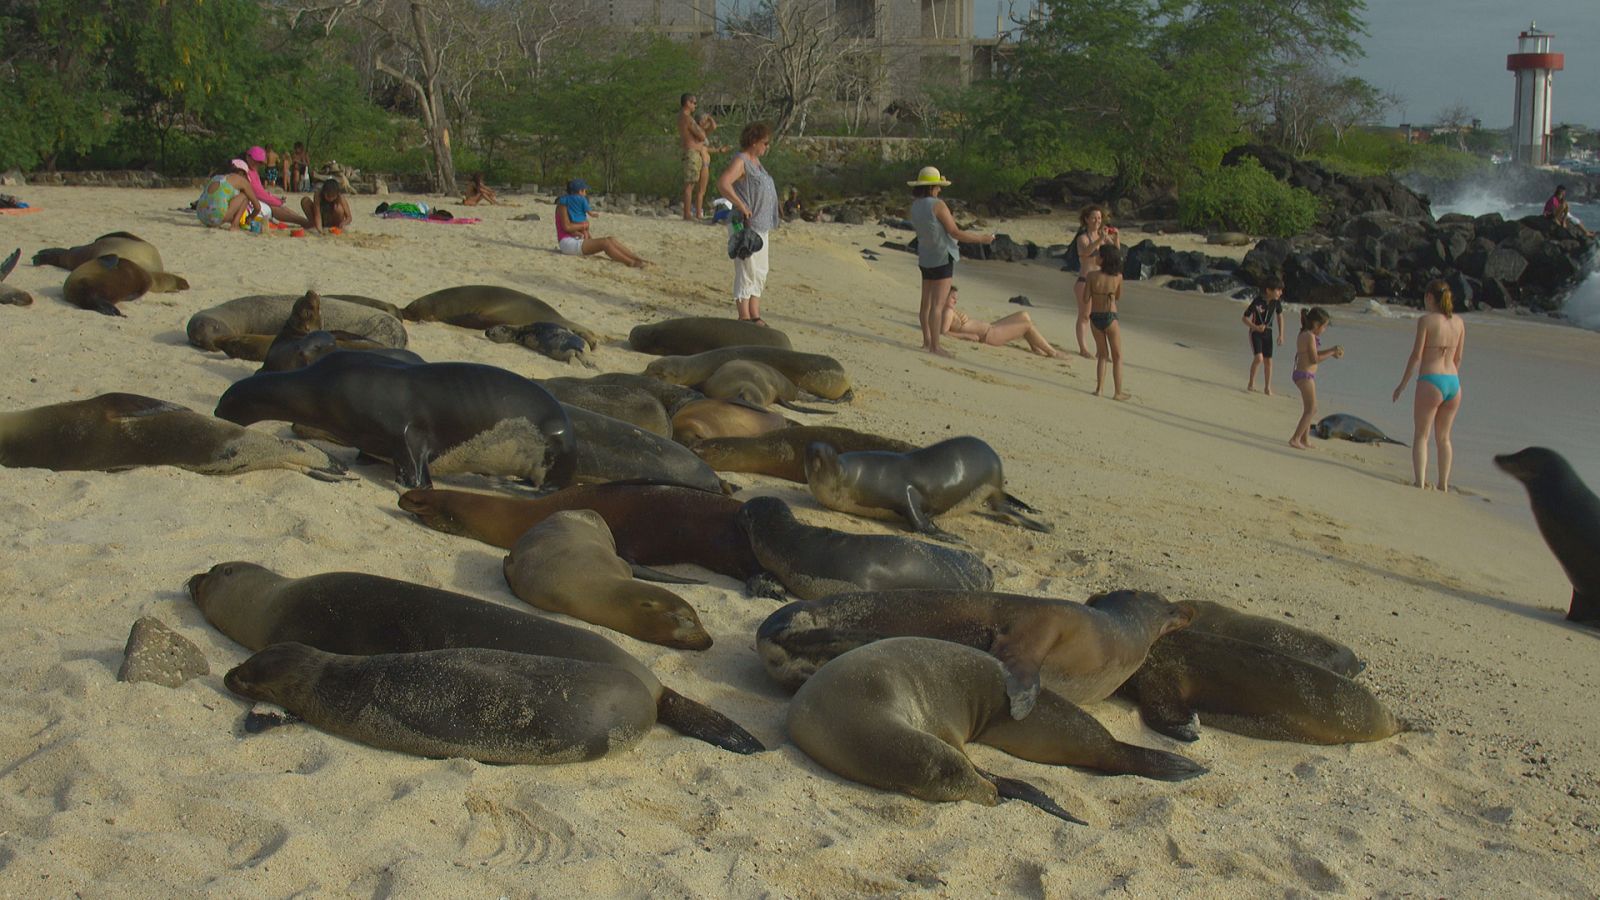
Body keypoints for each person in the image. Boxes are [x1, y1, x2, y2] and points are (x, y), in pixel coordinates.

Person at [908, 165, 995, 356]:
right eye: (938, 186)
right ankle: (935, 346)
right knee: (937, 305)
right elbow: (954, 231)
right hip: (941, 256)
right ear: (932, 187)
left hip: (925, 256)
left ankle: (927, 342)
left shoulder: (915, 205)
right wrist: (982, 239)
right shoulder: (937, 205)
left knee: (926, 304)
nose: (939, 189)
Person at [1391, 279, 1466, 491]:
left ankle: (1421, 482)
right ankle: (1443, 484)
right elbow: (1458, 358)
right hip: (1453, 382)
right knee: (1444, 438)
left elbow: (1416, 356)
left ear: (1430, 297)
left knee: (1421, 435)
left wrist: (1402, 384)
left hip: (1431, 381)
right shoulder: (1459, 322)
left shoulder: (1426, 321)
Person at [718, 123, 781, 324]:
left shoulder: (757, 163)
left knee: (761, 269)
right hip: (745, 224)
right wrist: (741, 205)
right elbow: (723, 183)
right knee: (746, 268)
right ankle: (744, 315)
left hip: (762, 224)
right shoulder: (741, 160)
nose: (767, 147)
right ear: (754, 142)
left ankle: (754, 313)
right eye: (765, 143)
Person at [941, 284, 1069, 358]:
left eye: (956, 298)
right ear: (944, 297)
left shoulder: (949, 310)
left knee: (1023, 315)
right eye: (952, 298)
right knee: (1027, 326)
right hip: (989, 335)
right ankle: (1053, 352)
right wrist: (966, 336)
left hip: (991, 328)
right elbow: (944, 332)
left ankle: (1035, 346)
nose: (955, 300)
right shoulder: (947, 312)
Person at [554, 178, 647, 267]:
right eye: (584, 191)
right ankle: (630, 262)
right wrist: (584, 225)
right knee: (605, 243)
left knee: (610, 239)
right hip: (567, 242)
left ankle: (637, 259)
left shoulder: (574, 205)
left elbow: (578, 224)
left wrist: (588, 236)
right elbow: (567, 227)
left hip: (578, 239)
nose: (585, 194)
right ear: (579, 191)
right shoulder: (563, 205)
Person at [1287, 307, 1344, 450]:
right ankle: (1295, 438)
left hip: (1302, 374)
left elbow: (1313, 353)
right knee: (1312, 409)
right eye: (1324, 326)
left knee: (1309, 408)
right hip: (1305, 375)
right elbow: (1314, 359)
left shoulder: (1305, 334)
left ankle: (1304, 439)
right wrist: (1331, 352)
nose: (1324, 330)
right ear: (1317, 324)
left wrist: (1331, 350)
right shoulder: (1310, 336)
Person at [1073, 205, 1120, 358]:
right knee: (1085, 315)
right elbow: (1085, 252)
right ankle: (1083, 348)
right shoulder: (1082, 238)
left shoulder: (1102, 237)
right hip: (1084, 280)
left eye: (1099, 218)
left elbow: (1115, 254)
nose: (1097, 221)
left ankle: (1102, 350)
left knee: (1102, 317)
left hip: (1101, 282)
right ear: (1086, 219)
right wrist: (1100, 239)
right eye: (1094, 218)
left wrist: (1115, 238)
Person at [1085, 244, 1128, 399]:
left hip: (1095, 317)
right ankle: (1118, 392)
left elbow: (1085, 298)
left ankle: (1099, 389)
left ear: (1104, 259)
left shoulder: (1091, 276)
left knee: (1102, 355)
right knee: (1117, 356)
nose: (1096, 257)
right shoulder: (1118, 277)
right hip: (1110, 316)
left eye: (1099, 255)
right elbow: (1118, 297)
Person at [242, 146, 309, 227]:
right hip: (247, 204)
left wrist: (275, 200)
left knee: (279, 206)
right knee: (273, 207)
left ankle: (304, 221)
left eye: (260, 162)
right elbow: (258, 192)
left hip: (251, 201)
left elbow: (260, 191)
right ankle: (303, 222)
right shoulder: (245, 170)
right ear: (248, 157)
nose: (257, 164)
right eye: (256, 161)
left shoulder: (252, 171)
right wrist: (276, 201)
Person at [1243, 275, 1286, 394]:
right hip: (1255, 332)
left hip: (1269, 332)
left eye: (1281, 290)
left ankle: (1267, 387)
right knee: (1259, 358)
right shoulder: (1257, 301)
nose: (1280, 293)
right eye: (1278, 290)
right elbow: (1245, 318)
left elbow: (1280, 317)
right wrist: (1255, 327)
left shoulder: (1276, 303)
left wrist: (1281, 334)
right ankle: (1251, 383)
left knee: (1269, 361)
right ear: (1268, 290)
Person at [194, 159, 263, 230]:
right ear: (242, 173)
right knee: (245, 196)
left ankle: (215, 222)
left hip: (201, 215)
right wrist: (250, 218)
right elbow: (257, 207)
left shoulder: (216, 177)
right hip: (217, 216)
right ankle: (234, 225)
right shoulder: (241, 180)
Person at [678, 94, 714, 220]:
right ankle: (687, 214)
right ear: (687, 102)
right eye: (694, 102)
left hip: (692, 153)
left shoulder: (682, 118)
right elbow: (701, 136)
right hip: (692, 153)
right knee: (690, 185)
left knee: (691, 184)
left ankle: (688, 213)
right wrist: (702, 132)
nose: (695, 105)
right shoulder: (687, 119)